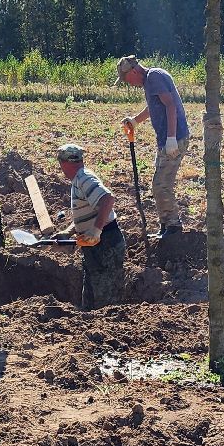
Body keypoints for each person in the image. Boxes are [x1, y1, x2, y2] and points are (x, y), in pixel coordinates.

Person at [116, 55, 191, 235]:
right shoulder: (150, 81)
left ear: (134, 71)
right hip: (167, 139)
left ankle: (173, 226)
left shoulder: (154, 77)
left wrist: (171, 138)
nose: (129, 84)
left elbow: (170, 105)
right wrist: (135, 121)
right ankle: (166, 225)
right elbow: (153, 107)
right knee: (159, 184)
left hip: (174, 138)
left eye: (127, 79)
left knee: (161, 184)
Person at [57, 142, 126, 310]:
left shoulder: (84, 178)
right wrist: (68, 232)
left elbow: (108, 199)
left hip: (106, 244)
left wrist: (96, 230)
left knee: (107, 303)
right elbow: (89, 212)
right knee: (89, 300)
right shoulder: (79, 179)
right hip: (94, 247)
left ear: (64, 163)